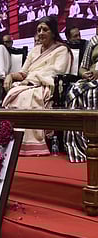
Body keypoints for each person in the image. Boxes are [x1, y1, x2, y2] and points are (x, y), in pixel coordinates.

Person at [3, 16, 72, 156]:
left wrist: (31, 79)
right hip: (29, 83)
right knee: (15, 92)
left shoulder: (62, 50)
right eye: (39, 30)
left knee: (24, 95)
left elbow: (56, 72)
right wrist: (10, 76)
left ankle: (27, 144)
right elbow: (23, 72)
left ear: (53, 32)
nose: (40, 33)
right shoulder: (34, 50)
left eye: (45, 29)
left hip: (46, 86)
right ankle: (13, 142)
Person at [64, 31, 98, 163]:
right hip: (91, 79)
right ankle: (83, 146)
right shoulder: (93, 41)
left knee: (93, 93)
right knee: (74, 91)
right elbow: (82, 68)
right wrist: (86, 74)